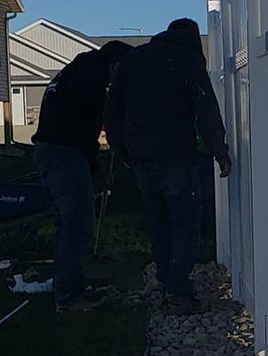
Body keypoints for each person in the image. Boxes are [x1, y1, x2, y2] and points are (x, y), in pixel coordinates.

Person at [104, 17, 231, 314]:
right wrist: (219, 150)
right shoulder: (186, 59)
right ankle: (177, 291)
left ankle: (167, 279)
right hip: (176, 153)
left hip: (140, 155)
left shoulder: (133, 60)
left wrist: (121, 149)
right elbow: (205, 107)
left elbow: (113, 110)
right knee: (185, 222)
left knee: (158, 221)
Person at [33, 39, 130, 313]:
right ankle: (68, 296)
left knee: (70, 224)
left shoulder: (81, 68)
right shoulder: (91, 72)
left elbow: (81, 122)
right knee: (76, 223)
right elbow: (85, 117)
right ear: (116, 65)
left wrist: (94, 166)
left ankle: (70, 286)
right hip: (63, 154)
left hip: (58, 151)